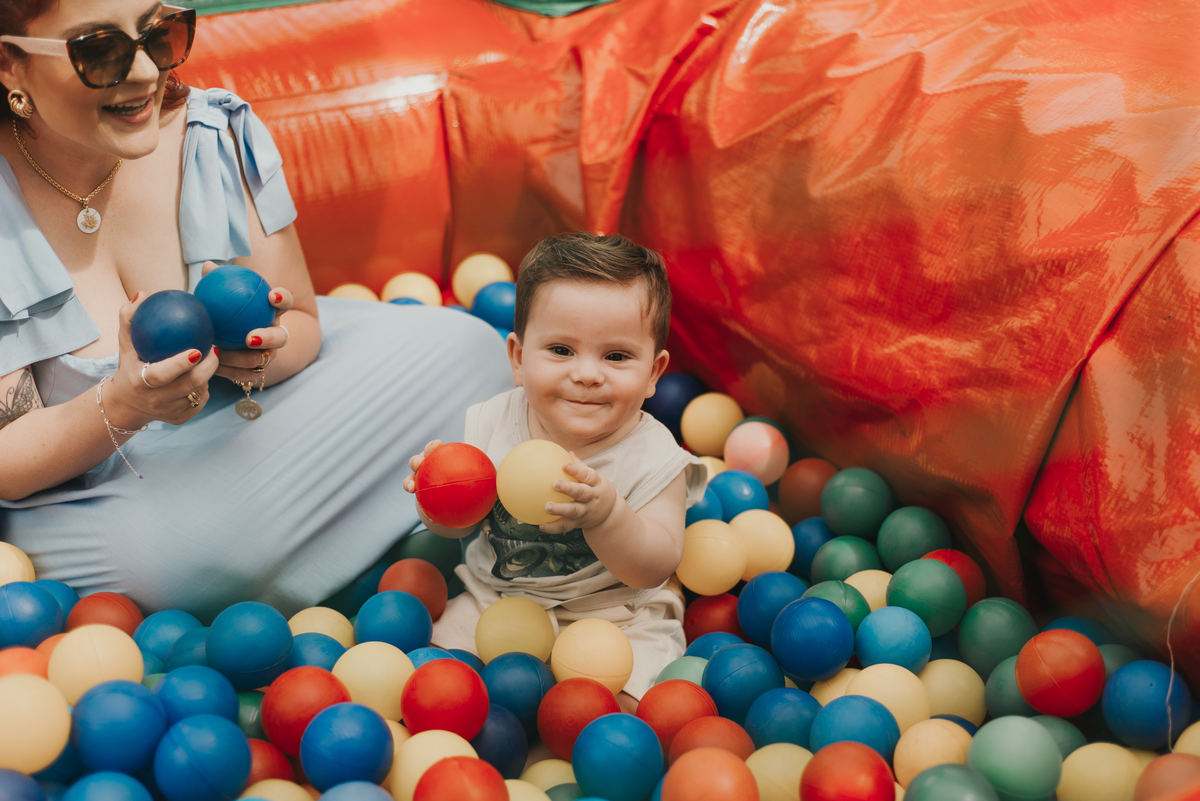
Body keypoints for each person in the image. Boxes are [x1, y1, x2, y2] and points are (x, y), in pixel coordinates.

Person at [0, 0, 511, 620]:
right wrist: (127, 404)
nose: (142, 71)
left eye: (160, 35)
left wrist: (251, 358)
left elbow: (302, 327)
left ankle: (311, 561)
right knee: (181, 558)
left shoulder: (211, 130)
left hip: (248, 418)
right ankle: (377, 546)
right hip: (100, 482)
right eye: (100, 51)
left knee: (473, 351)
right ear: (10, 65)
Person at [405, 233, 706, 702]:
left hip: (616, 614)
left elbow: (655, 565)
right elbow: (454, 529)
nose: (587, 373)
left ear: (653, 373)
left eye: (616, 356)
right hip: (498, 601)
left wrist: (607, 516)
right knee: (436, 679)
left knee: (628, 706)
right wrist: (437, 498)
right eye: (561, 350)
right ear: (518, 359)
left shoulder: (654, 454)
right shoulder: (490, 423)